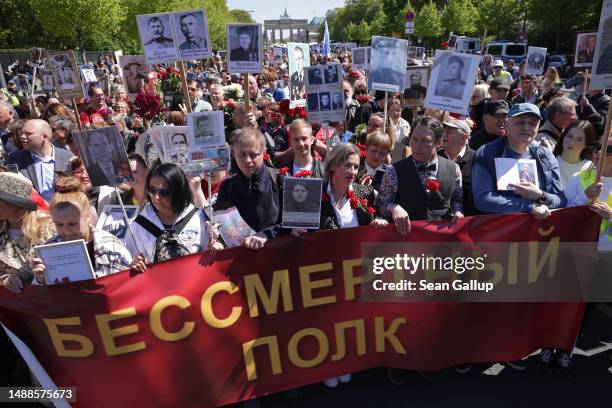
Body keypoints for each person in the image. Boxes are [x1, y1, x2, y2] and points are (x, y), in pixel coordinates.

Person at [472, 103, 566, 221]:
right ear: (507, 125)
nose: (526, 128)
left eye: (532, 123)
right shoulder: (486, 153)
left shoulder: (546, 156)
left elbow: (561, 200)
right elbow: (483, 199)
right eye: (520, 122)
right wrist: (529, 206)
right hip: (500, 231)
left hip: (536, 233)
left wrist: (539, 195)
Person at [31, 176, 133, 281]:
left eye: (72, 224)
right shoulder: (48, 250)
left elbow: (124, 287)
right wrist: (40, 279)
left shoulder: (111, 246)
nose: (66, 231)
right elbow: (42, 294)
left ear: (88, 216)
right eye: (59, 224)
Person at [377, 116, 464, 234]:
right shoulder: (393, 171)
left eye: (425, 141)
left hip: (442, 241)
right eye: (414, 139)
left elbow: (456, 201)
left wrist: (458, 213)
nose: (417, 146)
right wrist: (393, 208)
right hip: (407, 240)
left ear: (439, 142)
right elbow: (382, 204)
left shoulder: (454, 170)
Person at [127, 163, 222, 266]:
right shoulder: (137, 226)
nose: (156, 197)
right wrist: (134, 264)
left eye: (164, 192)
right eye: (152, 191)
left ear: (178, 191)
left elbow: (210, 261)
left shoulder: (198, 218)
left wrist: (215, 248)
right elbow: (127, 266)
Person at [216, 128, 284, 250]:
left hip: (278, 256)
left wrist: (266, 235)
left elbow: (291, 225)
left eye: (253, 155)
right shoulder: (226, 186)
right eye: (241, 155)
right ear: (233, 154)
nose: (247, 160)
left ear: (264, 152)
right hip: (243, 261)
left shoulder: (279, 180)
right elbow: (223, 227)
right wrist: (217, 238)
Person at [0, 172, 54, 293]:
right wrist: (4, 278)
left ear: (16, 204)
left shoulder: (50, 227)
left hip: (54, 301)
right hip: (17, 308)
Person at [7, 119, 74, 201]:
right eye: (22, 133)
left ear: (44, 137)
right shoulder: (15, 158)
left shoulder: (68, 157)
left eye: (28, 134)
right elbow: (11, 190)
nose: (22, 137)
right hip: (33, 212)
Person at [439, 118, 476, 216]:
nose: (444, 135)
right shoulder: (435, 157)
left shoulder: (476, 160)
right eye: (444, 131)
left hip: (467, 221)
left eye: (449, 132)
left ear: (464, 137)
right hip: (438, 221)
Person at [552, 120, 596, 189]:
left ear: (586, 144)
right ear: (563, 137)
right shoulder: (550, 164)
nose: (572, 142)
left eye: (579, 139)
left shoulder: (591, 168)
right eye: (570, 136)